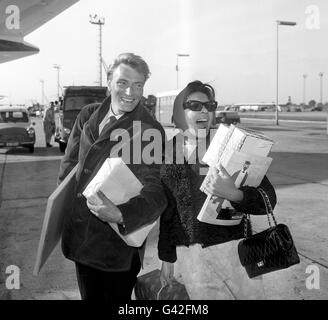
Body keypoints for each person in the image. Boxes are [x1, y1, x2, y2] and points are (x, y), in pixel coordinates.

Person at [57, 53, 167, 302]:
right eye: (123, 82)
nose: (131, 91)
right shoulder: (88, 115)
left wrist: (121, 215)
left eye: (138, 84)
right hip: (82, 240)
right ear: (109, 82)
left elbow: (157, 193)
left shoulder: (148, 131)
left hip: (116, 250)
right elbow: (69, 166)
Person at [158, 80, 277, 300]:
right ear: (180, 111)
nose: (204, 110)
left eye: (210, 105)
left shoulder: (232, 145)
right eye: (194, 105)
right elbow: (168, 211)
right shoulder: (168, 151)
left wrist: (235, 194)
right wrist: (167, 258)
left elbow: (268, 199)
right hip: (193, 258)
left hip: (237, 252)